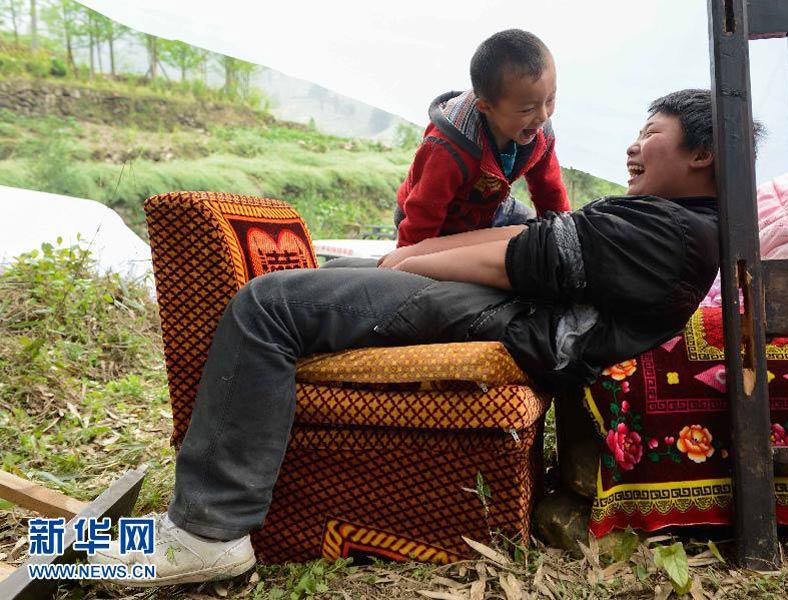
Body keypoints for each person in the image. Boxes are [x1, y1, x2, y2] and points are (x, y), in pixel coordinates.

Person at [93, 89, 747, 586]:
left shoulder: (679, 233)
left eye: (649, 134)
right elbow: (527, 240)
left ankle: (212, 528)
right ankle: (234, 470)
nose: (634, 147)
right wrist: (411, 254)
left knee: (268, 304)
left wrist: (410, 262)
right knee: (334, 276)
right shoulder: (665, 217)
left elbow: (516, 262)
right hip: (511, 304)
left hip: (515, 321)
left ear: (701, 153)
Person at [393, 29, 570, 248]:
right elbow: (423, 213)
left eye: (550, 100)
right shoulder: (447, 148)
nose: (542, 116)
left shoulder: (539, 132)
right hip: (433, 221)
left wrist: (565, 239)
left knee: (540, 236)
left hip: (491, 210)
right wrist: (407, 262)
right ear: (486, 107)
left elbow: (549, 192)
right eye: (527, 110)